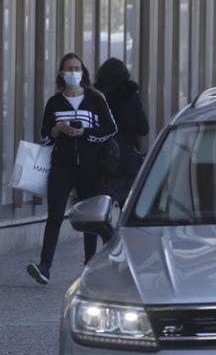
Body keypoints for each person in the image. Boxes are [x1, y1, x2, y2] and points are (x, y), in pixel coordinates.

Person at [26, 53, 118, 285]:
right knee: (55, 214)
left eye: (77, 68)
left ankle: (89, 265)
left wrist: (85, 132)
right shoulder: (54, 103)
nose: (73, 72)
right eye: (69, 68)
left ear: (83, 72)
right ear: (61, 73)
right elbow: (45, 138)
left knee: (90, 218)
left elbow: (110, 129)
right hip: (62, 167)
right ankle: (44, 266)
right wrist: (58, 130)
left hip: (91, 167)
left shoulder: (95, 99)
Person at [94, 58, 149, 204]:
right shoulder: (131, 96)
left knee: (101, 208)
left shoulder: (94, 97)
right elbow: (144, 128)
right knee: (128, 206)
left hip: (101, 162)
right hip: (126, 162)